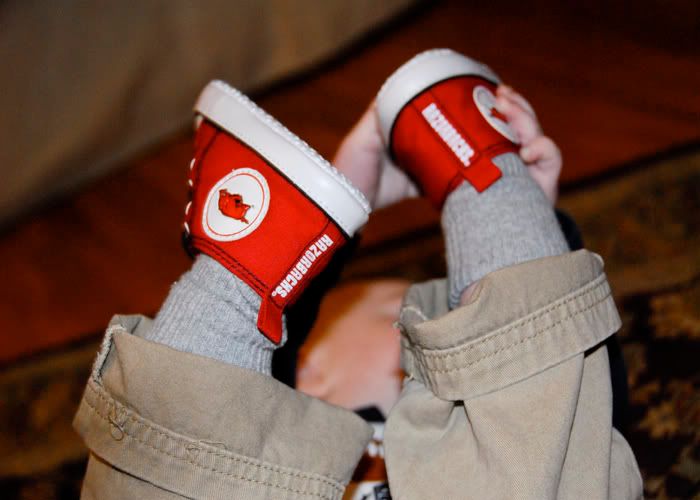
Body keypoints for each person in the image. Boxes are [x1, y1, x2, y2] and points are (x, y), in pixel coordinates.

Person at [73, 49, 643, 499]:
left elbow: (592, 412)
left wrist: (542, 239)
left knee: (159, 462)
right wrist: (530, 243)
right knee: (546, 433)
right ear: (310, 377)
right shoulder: (280, 449)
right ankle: (488, 190)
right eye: (401, 319)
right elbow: (586, 414)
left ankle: (243, 272)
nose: (434, 339)